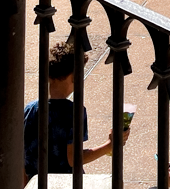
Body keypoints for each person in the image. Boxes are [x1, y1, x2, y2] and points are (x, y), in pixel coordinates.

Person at [24, 41, 129, 180]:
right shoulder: (74, 112)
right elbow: (74, 159)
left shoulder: (30, 109)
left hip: (36, 182)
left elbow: (23, 156)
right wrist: (109, 146)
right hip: (64, 183)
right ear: (74, 77)